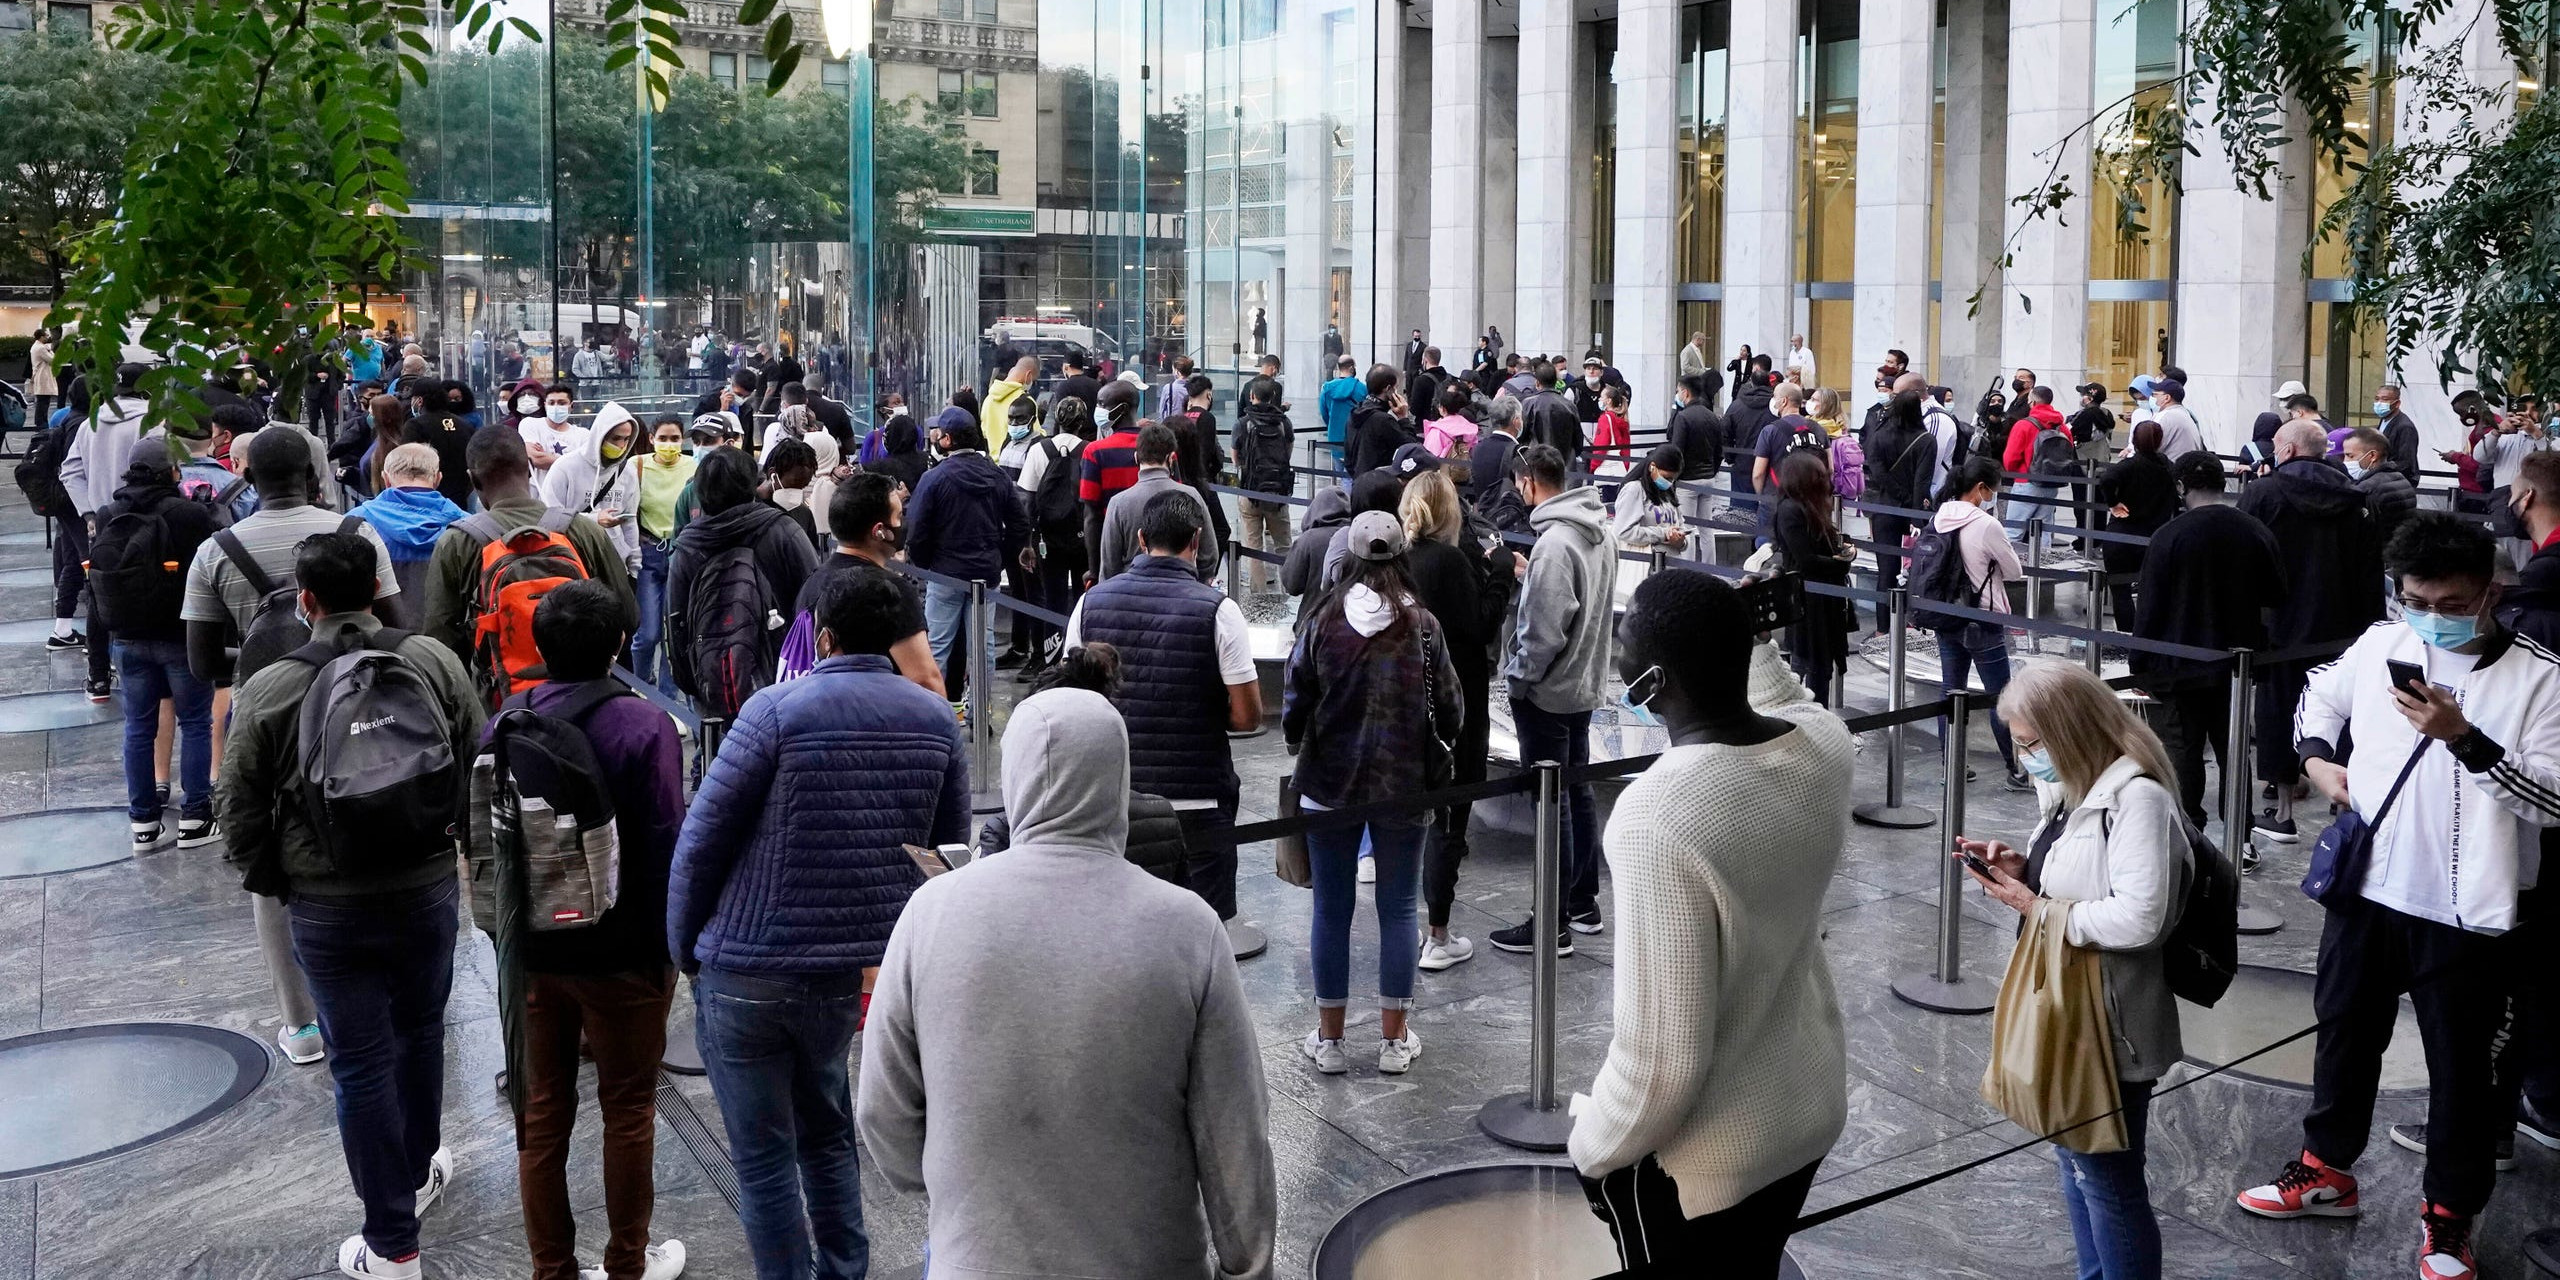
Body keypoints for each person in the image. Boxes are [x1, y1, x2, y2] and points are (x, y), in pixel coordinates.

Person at [854, 683, 1277, 1279]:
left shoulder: (931, 913)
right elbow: (1235, 1138)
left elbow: (882, 1110)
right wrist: (1248, 1266)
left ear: (1013, 777)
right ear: (1119, 778)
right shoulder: (1188, 929)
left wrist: (964, 1194)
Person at [2234, 514, 2560, 1280]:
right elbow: (2319, 694)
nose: (2432, 616)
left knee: (2462, 1074)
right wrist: (2316, 761)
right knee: (2344, 1032)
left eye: (2451, 603)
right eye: (2417, 599)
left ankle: (2449, 1220)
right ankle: (2325, 1167)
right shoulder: (2384, 642)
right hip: (2369, 887)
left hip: (2472, 912)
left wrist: (2465, 737)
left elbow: (2550, 801)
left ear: (2490, 592)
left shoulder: (2542, 678)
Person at [668, 564, 971, 1280]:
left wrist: (685, 949)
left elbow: (702, 841)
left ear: (824, 637)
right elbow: (948, 853)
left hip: (744, 964)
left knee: (764, 1157)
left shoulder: (775, 710)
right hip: (842, 972)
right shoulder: (935, 721)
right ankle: (845, 1268)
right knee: (829, 1132)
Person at [215, 531, 484, 1280]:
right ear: (377, 588)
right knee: (423, 1031)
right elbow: (474, 751)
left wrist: (277, 877)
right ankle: (423, 1164)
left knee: (360, 1064)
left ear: (305, 601)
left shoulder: (271, 686)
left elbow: (235, 804)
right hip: (426, 885)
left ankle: (392, 1244)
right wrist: (450, 843)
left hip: (327, 902)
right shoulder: (429, 659)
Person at [1569, 571, 1851, 1276]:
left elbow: (1660, 1064)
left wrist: (1592, 1151)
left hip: (1707, 1165)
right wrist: (1752, 637)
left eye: (1627, 648)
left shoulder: (1660, 815)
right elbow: (1791, 702)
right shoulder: (1826, 749)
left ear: (1656, 682)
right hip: (1805, 1108)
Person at [1956, 661, 2187, 1280]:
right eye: (2020, 744)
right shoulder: (2075, 790)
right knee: (2079, 1167)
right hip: (2071, 1006)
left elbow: (2141, 919)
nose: (2026, 755)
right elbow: (2081, 877)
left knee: (2107, 1180)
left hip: (2109, 1018)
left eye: (2033, 743)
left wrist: (2036, 907)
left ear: (2072, 730)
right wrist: (2024, 867)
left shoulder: (2137, 798)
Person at [495, 580, 689, 1280]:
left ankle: (553, 1268)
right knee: (628, 1107)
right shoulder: (644, 727)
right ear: (617, 646)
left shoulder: (510, 717)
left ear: (538, 647)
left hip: (536, 946)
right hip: (626, 946)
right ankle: (627, 1263)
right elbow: (667, 837)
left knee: (542, 1111)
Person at [1282, 510, 1462, 1074]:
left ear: (1353, 556)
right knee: (1399, 908)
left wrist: (1299, 739)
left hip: (1328, 783)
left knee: (1329, 910)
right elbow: (1451, 707)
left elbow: (1294, 701)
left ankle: (1330, 1041)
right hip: (1403, 785)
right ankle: (1393, 1041)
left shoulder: (1321, 620)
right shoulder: (1423, 626)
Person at [1067, 491, 1262, 929]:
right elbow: (1248, 716)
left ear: (1140, 538)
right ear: (1196, 540)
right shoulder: (1218, 611)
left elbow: (1072, 701)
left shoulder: (1090, 603)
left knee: (1117, 930)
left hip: (1114, 795)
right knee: (1200, 936)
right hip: (1198, 796)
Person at [1491, 444, 1617, 954]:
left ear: (1527, 483)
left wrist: (1518, 678)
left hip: (1548, 692)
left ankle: (1552, 921)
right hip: (1586, 683)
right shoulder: (1597, 531)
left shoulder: (1554, 545)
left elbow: (1543, 632)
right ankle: (1583, 903)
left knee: (1553, 801)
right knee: (1578, 791)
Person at [2239, 420, 2383, 840]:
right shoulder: (2358, 498)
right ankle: (2344, 809)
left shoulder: (2263, 493)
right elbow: (2370, 569)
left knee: (2279, 709)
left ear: (2284, 451)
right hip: (2344, 626)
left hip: (2279, 623)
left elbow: (2245, 558)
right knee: (2342, 713)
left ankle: (2282, 810)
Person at [2129, 451, 2283, 829]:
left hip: (2179, 661)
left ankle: (2188, 828)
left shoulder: (2169, 536)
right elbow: (2276, 595)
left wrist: (2140, 665)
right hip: (2238, 660)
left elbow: (2150, 607)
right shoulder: (2254, 529)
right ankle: (2239, 831)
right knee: (2233, 749)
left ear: (2181, 486)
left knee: (2183, 747)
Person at [92, 452, 225, 852]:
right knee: (196, 723)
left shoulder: (109, 511)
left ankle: (143, 823)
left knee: (137, 727)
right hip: (181, 635)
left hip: (128, 637)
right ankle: (196, 816)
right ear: (172, 473)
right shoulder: (189, 515)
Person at [1401, 468, 1507, 971]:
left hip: (1406, 701)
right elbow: (1481, 622)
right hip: (1455, 698)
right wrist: (1502, 571)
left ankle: (1409, 921)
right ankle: (1437, 932)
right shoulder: (1447, 561)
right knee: (1450, 812)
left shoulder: (1398, 559)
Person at [421, 430, 632, 674]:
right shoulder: (583, 530)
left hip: (502, 700)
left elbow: (441, 639)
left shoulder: (457, 543)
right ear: (529, 467)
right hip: (583, 691)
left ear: (473, 479)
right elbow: (627, 615)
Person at [904, 416, 1029, 703]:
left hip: (944, 573)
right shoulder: (997, 476)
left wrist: (927, 565)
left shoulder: (934, 478)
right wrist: (999, 558)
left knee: (937, 646)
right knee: (983, 648)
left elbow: (917, 529)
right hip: (985, 574)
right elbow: (1019, 524)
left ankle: (932, 712)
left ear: (947, 440)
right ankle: (979, 713)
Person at [1930, 458, 2030, 788]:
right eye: (1994, 489)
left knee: (1951, 691)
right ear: (1981, 489)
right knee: (2000, 697)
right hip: (1982, 619)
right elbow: (2014, 571)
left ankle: (1950, 764)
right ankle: (2014, 768)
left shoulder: (1940, 516)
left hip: (1947, 616)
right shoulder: (1987, 525)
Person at [1772, 451, 1856, 703]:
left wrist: (1842, 554)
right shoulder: (1790, 510)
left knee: (1822, 665)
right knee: (1806, 662)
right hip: (1807, 599)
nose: (1826, 481)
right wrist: (1839, 562)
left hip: (1825, 597)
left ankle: (1820, 715)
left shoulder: (1812, 506)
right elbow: (1805, 559)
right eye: (1820, 476)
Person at [1096, 421, 1219, 583]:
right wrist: (1198, 584)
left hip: (1132, 592)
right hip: (1183, 589)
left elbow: (1109, 566)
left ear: (1136, 457)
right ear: (1171, 458)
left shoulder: (1118, 503)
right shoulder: (1191, 495)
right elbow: (1209, 555)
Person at [627, 415, 697, 694]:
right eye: (663, 438)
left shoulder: (693, 466)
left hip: (681, 552)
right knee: (647, 634)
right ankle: (641, 686)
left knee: (673, 632)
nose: (669, 444)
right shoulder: (637, 466)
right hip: (648, 553)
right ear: (652, 438)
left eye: (675, 439)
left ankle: (668, 698)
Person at [350, 443, 469, 606]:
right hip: (449, 630)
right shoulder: (470, 528)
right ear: (437, 478)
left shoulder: (354, 525)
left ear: (385, 479)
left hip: (379, 629)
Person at [542, 401, 644, 575]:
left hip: (615, 563)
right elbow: (549, 516)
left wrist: (634, 568)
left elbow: (630, 521)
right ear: (600, 435)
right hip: (574, 562)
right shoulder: (565, 467)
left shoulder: (627, 471)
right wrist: (594, 519)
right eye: (615, 438)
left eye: (626, 439)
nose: (621, 446)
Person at [2094, 420, 2180, 627]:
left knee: (2120, 589)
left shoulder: (2130, 465)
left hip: (2122, 533)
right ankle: (2147, 631)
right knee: (2150, 588)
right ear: (2160, 442)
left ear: (2134, 440)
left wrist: (2113, 503)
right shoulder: (2168, 467)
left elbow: (2106, 480)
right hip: (2155, 535)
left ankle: (2126, 633)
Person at [1229, 375, 1297, 592]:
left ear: (1251, 396)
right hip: (1278, 493)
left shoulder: (1242, 424)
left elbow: (1235, 458)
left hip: (1250, 490)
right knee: (1283, 544)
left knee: (1253, 544)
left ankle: (1259, 592)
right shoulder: (1284, 422)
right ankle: (1289, 587)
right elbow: (1287, 453)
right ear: (1273, 396)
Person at [1077, 379, 1146, 572]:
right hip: (1155, 549)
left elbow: (1091, 515)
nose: (1098, 409)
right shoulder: (1160, 446)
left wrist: (1093, 569)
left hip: (1113, 549)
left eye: (1102, 404)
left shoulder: (1095, 452)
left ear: (1122, 408)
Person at [399, 380, 481, 510]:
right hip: (460, 501)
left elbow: (406, 464)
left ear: (419, 401)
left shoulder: (415, 426)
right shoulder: (464, 425)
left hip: (428, 502)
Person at [1612, 444, 1695, 560]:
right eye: (1666, 477)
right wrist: (1664, 534)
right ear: (1652, 467)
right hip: (1645, 566)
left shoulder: (1668, 492)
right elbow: (1623, 531)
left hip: (1672, 567)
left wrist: (1681, 542)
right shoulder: (1634, 490)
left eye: (1673, 479)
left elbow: (1681, 526)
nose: (1669, 482)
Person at [2343, 427, 2417, 549]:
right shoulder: (2400, 478)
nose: (2345, 461)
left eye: (2350, 456)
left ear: (2372, 455)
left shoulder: (2368, 488)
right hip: (2398, 552)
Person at [1347, 364, 1419, 478]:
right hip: (1380, 484)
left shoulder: (1355, 412)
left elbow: (1348, 457)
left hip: (1359, 482)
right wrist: (1404, 418)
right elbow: (1410, 447)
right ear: (1388, 389)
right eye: (1396, 388)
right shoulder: (1383, 420)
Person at [519, 382, 586, 474]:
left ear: (571, 406)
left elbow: (585, 466)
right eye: (551, 403)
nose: (556, 407)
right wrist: (573, 461)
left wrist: (547, 456)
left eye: (562, 403)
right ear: (545, 405)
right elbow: (536, 459)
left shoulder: (583, 435)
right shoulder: (530, 424)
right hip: (538, 488)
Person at [2374, 383, 2423, 482]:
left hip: (2398, 482)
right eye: (2377, 399)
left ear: (2397, 404)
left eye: (2385, 399)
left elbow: (2405, 462)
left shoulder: (2405, 427)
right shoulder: (2384, 419)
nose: (2379, 403)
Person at [1319, 354, 1364, 456]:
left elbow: (1324, 413)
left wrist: (1332, 424)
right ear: (1352, 368)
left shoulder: (1327, 389)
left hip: (1334, 436)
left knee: (1337, 468)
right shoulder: (1362, 388)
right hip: (1356, 438)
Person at [2150, 379, 2204, 460]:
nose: (2152, 398)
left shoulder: (2165, 416)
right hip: (2187, 467)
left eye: (2155, 395)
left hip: (2171, 469)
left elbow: (2148, 447)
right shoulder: (2184, 413)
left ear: (2167, 398)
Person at [1051, 350, 1100, 417]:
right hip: (1093, 426)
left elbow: (1060, 413)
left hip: (1071, 427)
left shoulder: (1064, 386)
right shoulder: (1096, 384)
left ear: (1066, 367)